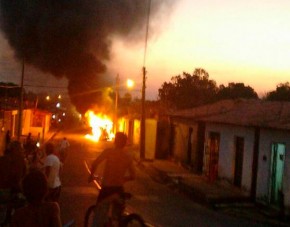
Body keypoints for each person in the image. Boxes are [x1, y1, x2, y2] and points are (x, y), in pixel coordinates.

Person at [88, 132, 136, 226]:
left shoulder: (108, 152)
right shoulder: (128, 157)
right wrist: (122, 179)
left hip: (107, 190)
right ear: (125, 143)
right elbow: (133, 176)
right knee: (117, 219)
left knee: (98, 218)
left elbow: (95, 163)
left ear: (115, 141)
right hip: (119, 191)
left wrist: (91, 175)